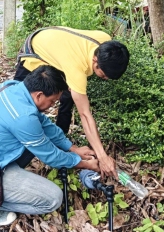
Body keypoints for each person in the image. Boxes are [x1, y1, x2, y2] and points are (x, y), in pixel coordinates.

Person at [0, 65, 100, 226]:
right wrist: (84, 164)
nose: (53, 105)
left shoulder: (13, 87)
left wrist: (73, 148)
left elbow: (45, 125)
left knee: (36, 140)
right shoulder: (23, 117)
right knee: (54, 198)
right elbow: (51, 157)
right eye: (53, 101)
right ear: (39, 95)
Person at [14, 27, 130, 179]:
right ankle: (16, 164)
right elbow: (85, 115)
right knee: (23, 112)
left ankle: (60, 141)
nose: (106, 79)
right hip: (36, 52)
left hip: (59, 50)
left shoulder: (106, 43)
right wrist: (102, 156)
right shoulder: (77, 68)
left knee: (69, 97)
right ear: (95, 60)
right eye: (104, 75)